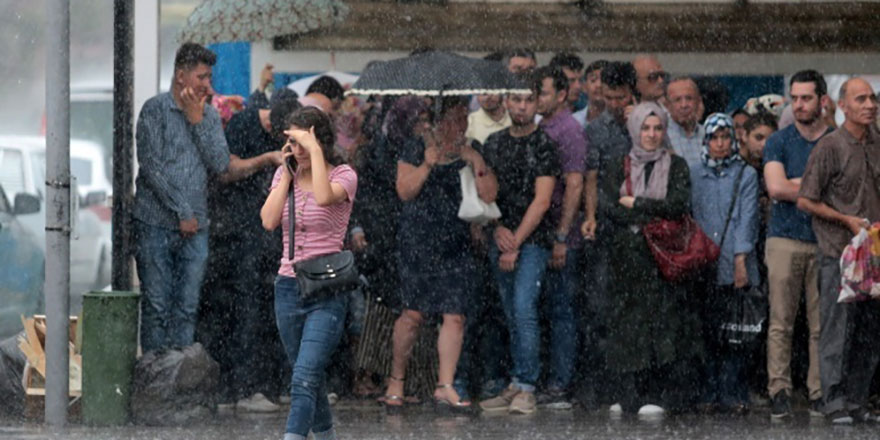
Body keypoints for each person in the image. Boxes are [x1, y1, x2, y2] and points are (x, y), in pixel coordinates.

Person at [134, 42, 270, 353]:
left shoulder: (208, 117)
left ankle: (180, 378)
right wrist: (182, 211)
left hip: (197, 228)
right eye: (201, 77)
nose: (207, 85)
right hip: (156, 222)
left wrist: (197, 122)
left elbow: (221, 164)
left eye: (209, 78)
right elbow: (152, 168)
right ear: (181, 76)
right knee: (157, 305)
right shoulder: (154, 110)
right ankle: (156, 377)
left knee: (187, 306)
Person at [384, 96, 497, 411]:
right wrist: (427, 163)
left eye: (464, 118)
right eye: (453, 118)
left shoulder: (472, 150)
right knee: (413, 315)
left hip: (456, 241)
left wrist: (476, 161)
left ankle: (445, 385)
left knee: (455, 314)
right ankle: (396, 381)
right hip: (418, 242)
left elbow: (489, 196)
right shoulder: (416, 146)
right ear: (437, 120)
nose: (459, 126)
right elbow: (405, 190)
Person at [260, 106, 358, 440]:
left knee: (304, 375)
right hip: (288, 286)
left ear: (320, 140)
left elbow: (323, 196)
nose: (297, 150)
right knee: (308, 376)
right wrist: (286, 174)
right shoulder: (284, 176)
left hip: (327, 289)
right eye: (293, 142)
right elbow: (268, 220)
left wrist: (314, 151)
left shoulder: (343, 175)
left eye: (303, 142)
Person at [599, 102, 703, 417]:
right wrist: (647, 209)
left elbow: (676, 204)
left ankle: (659, 394)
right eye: (645, 128)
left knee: (664, 325)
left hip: (663, 259)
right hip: (627, 260)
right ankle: (630, 393)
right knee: (628, 326)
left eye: (658, 128)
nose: (652, 134)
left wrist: (637, 203)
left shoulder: (677, 166)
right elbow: (609, 207)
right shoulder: (620, 165)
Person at [199, 89, 299, 412]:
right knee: (242, 310)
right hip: (236, 233)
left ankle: (262, 383)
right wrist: (266, 160)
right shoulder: (244, 125)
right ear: (273, 128)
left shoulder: (282, 134)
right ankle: (239, 388)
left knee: (264, 310)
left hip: (264, 233)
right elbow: (226, 170)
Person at [797, 77, 880, 425]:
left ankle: (859, 399)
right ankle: (833, 399)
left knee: (870, 330)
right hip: (838, 252)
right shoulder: (830, 146)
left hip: (874, 254)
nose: (870, 105)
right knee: (836, 327)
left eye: (873, 98)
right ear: (842, 105)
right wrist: (844, 219)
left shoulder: (878, 144)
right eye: (860, 99)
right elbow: (804, 199)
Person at [478, 85, 560, 415]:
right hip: (500, 233)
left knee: (525, 308)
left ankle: (527, 384)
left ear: (538, 103)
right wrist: (497, 229)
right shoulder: (494, 143)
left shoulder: (544, 144)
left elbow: (542, 201)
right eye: (516, 99)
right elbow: (485, 194)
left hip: (534, 239)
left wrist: (516, 241)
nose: (522, 107)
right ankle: (515, 381)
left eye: (528, 100)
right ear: (507, 101)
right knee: (510, 312)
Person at [763, 70, 833, 419]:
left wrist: (799, 186)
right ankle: (779, 389)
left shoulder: (836, 141)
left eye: (806, 97)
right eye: (795, 98)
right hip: (784, 239)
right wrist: (817, 191)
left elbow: (844, 194)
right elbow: (776, 188)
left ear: (823, 100)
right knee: (781, 321)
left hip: (826, 240)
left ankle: (820, 391)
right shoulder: (779, 141)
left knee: (823, 324)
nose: (799, 104)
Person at [690, 113, 760, 414]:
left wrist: (741, 259)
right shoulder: (695, 173)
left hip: (734, 261)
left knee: (736, 331)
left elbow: (747, 219)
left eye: (725, 137)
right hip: (703, 263)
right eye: (714, 138)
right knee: (708, 331)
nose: (720, 144)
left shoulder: (745, 174)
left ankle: (732, 391)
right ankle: (709, 390)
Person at [577, 61, 637, 408]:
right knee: (599, 306)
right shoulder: (596, 129)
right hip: (607, 223)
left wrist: (636, 124)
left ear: (632, 94)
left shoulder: (648, 123)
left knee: (634, 308)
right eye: (610, 97)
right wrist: (590, 216)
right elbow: (591, 175)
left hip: (640, 224)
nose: (615, 104)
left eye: (621, 97)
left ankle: (633, 382)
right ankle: (601, 383)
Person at [534, 65, 587, 409]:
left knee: (563, 310)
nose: (538, 99)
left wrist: (562, 235)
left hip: (560, 233)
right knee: (549, 310)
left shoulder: (568, 130)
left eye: (543, 92)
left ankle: (561, 381)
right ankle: (551, 378)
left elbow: (575, 184)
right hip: (543, 231)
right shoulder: (544, 126)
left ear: (562, 94)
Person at [666, 77, 705, 168]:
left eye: (689, 98)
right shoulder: (662, 136)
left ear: (698, 101)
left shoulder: (708, 135)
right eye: (677, 100)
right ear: (668, 105)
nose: (684, 105)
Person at [573, 59, 609, 128]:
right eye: (593, 80)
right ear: (584, 86)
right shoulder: (574, 121)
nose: (599, 85)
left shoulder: (621, 120)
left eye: (604, 80)